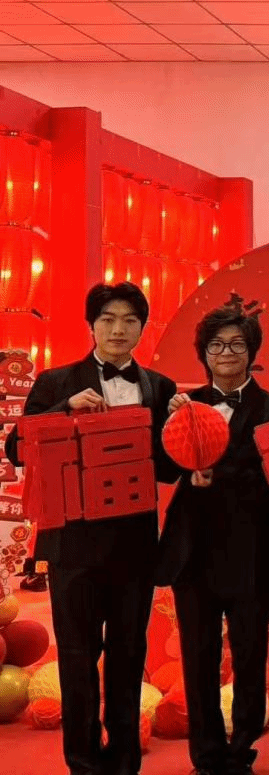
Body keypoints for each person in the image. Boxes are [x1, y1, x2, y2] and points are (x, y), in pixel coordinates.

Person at [4, 282, 179, 775]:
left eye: (129, 320)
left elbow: (167, 470)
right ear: (92, 325)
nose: (118, 329)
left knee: (128, 655)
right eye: (108, 319)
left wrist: (184, 430)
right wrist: (63, 411)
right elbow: (16, 449)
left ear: (142, 327)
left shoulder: (160, 387)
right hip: (73, 545)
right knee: (77, 658)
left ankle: (124, 762)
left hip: (134, 546)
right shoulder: (56, 382)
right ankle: (82, 763)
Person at [155, 304, 269, 775]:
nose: (226, 353)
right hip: (193, 554)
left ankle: (242, 752)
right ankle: (207, 757)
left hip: (251, 552)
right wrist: (172, 429)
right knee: (198, 658)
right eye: (216, 345)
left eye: (236, 344)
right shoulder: (184, 407)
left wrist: (218, 475)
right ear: (203, 353)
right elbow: (164, 468)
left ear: (252, 352)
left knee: (251, 659)